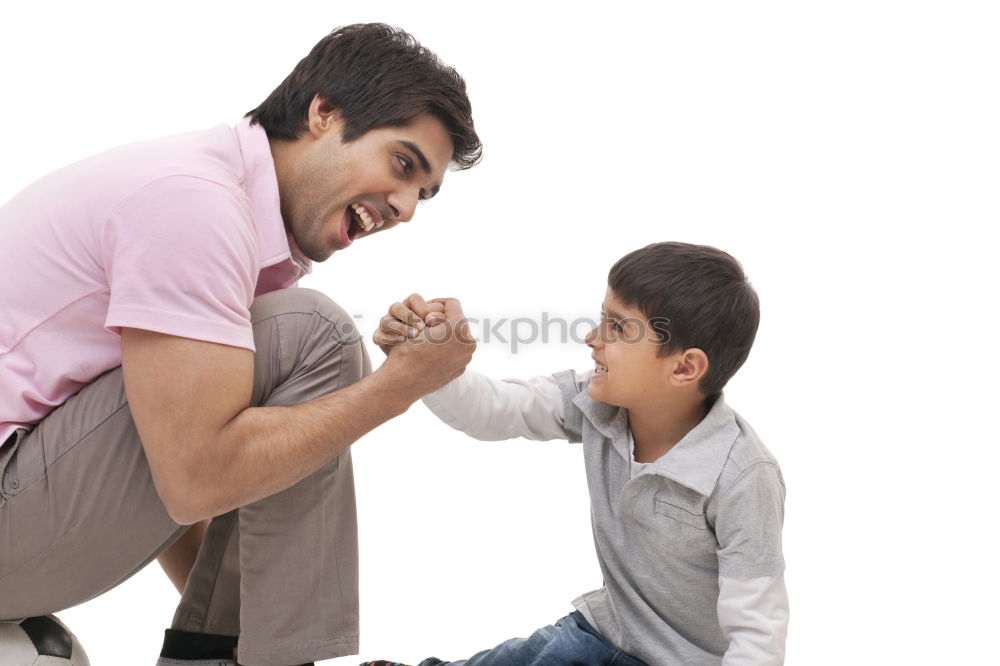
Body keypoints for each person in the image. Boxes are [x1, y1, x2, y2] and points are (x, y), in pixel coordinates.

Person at [0, 23, 480, 666]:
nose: (406, 208)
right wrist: (399, 387)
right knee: (316, 337)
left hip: (25, 496)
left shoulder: (211, 196)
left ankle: (233, 653)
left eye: (423, 193)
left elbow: (160, 442)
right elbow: (195, 478)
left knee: (290, 343)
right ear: (324, 112)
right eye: (402, 164)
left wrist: (221, 631)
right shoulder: (194, 206)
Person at [367, 242, 789, 665]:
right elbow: (496, 410)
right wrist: (428, 366)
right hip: (599, 634)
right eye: (602, 319)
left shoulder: (743, 475)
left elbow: (757, 631)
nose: (592, 339)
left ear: (683, 368)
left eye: (619, 329)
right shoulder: (595, 400)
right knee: (523, 656)